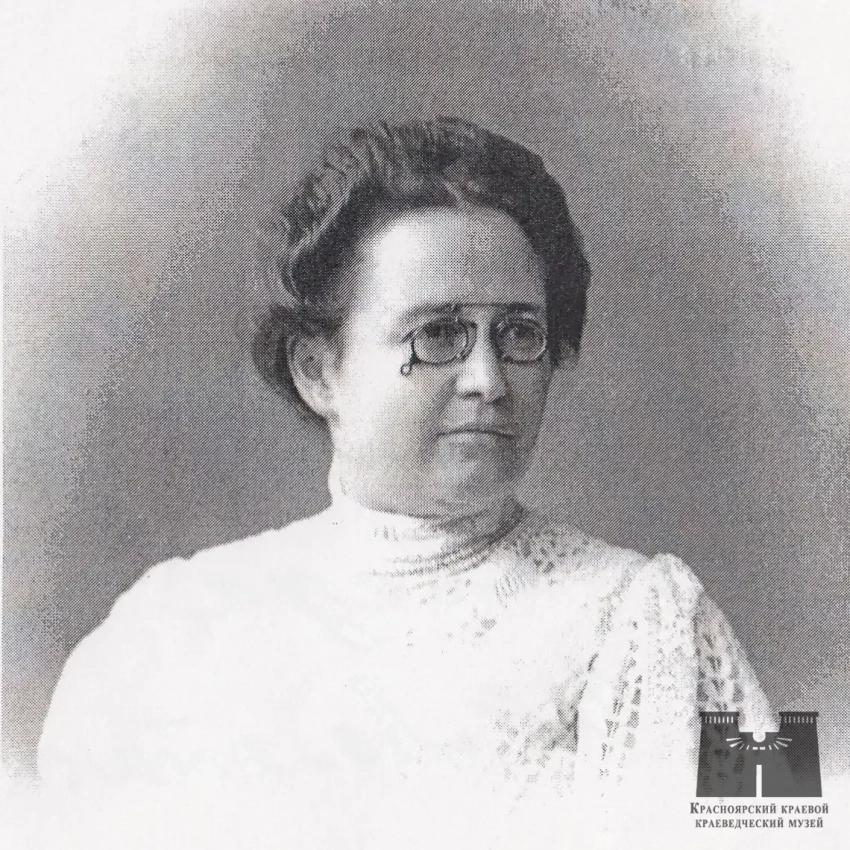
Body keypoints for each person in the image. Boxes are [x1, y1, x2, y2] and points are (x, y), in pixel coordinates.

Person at [36, 117, 773, 846]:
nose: (488, 380)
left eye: (519, 334)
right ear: (318, 372)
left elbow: (795, 820)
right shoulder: (168, 625)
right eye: (438, 335)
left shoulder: (659, 615)